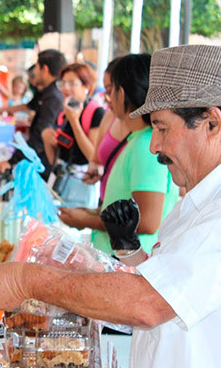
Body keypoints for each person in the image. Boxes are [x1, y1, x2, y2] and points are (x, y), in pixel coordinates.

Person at [0, 44, 221, 368]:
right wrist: (123, 251)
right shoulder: (208, 192)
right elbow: (168, 282)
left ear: (213, 122)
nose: (155, 146)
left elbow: (149, 303)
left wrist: (26, 280)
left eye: (163, 129)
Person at [58, 54, 179, 254]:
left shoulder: (145, 146)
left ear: (121, 93)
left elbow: (147, 222)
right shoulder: (137, 140)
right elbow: (125, 207)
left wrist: (88, 220)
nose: (107, 98)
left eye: (110, 90)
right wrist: (92, 213)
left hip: (129, 264)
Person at [41, 63, 105, 208]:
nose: (65, 88)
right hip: (59, 183)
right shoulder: (63, 113)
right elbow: (56, 160)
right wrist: (47, 140)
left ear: (86, 86)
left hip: (82, 186)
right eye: (63, 83)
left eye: (71, 83)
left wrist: (75, 122)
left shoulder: (96, 112)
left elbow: (93, 156)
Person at [0, 49, 67, 179]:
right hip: (39, 158)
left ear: (44, 69)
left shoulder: (53, 97)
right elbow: (29, 105)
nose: (34, 72)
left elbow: (39, 135)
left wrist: (11, 161)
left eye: (37, 67)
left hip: (44, 164)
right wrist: (4, 110)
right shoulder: (46, 92)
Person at [83, 57, 130, 205]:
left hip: (125, 214)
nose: (107, 98)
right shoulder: (109, 116)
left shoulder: (144, 134)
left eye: (110, 90)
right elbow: (95, 158)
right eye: (105, 91)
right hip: (105, 203)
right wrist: (96, 171)